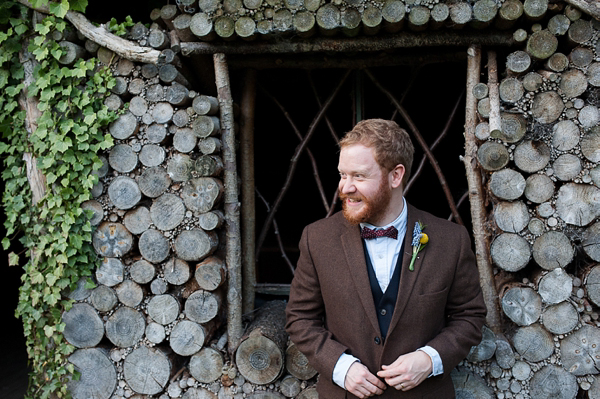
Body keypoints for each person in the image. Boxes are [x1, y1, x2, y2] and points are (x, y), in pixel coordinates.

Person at [285, 119, 486, 398]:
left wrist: (430, 359)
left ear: (395, 175)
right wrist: (341, 367)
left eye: (359, 176)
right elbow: (299, 318)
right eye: (343, 175)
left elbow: (470, 316)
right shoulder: (316, 239)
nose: (345, 187)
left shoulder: (451, 240)